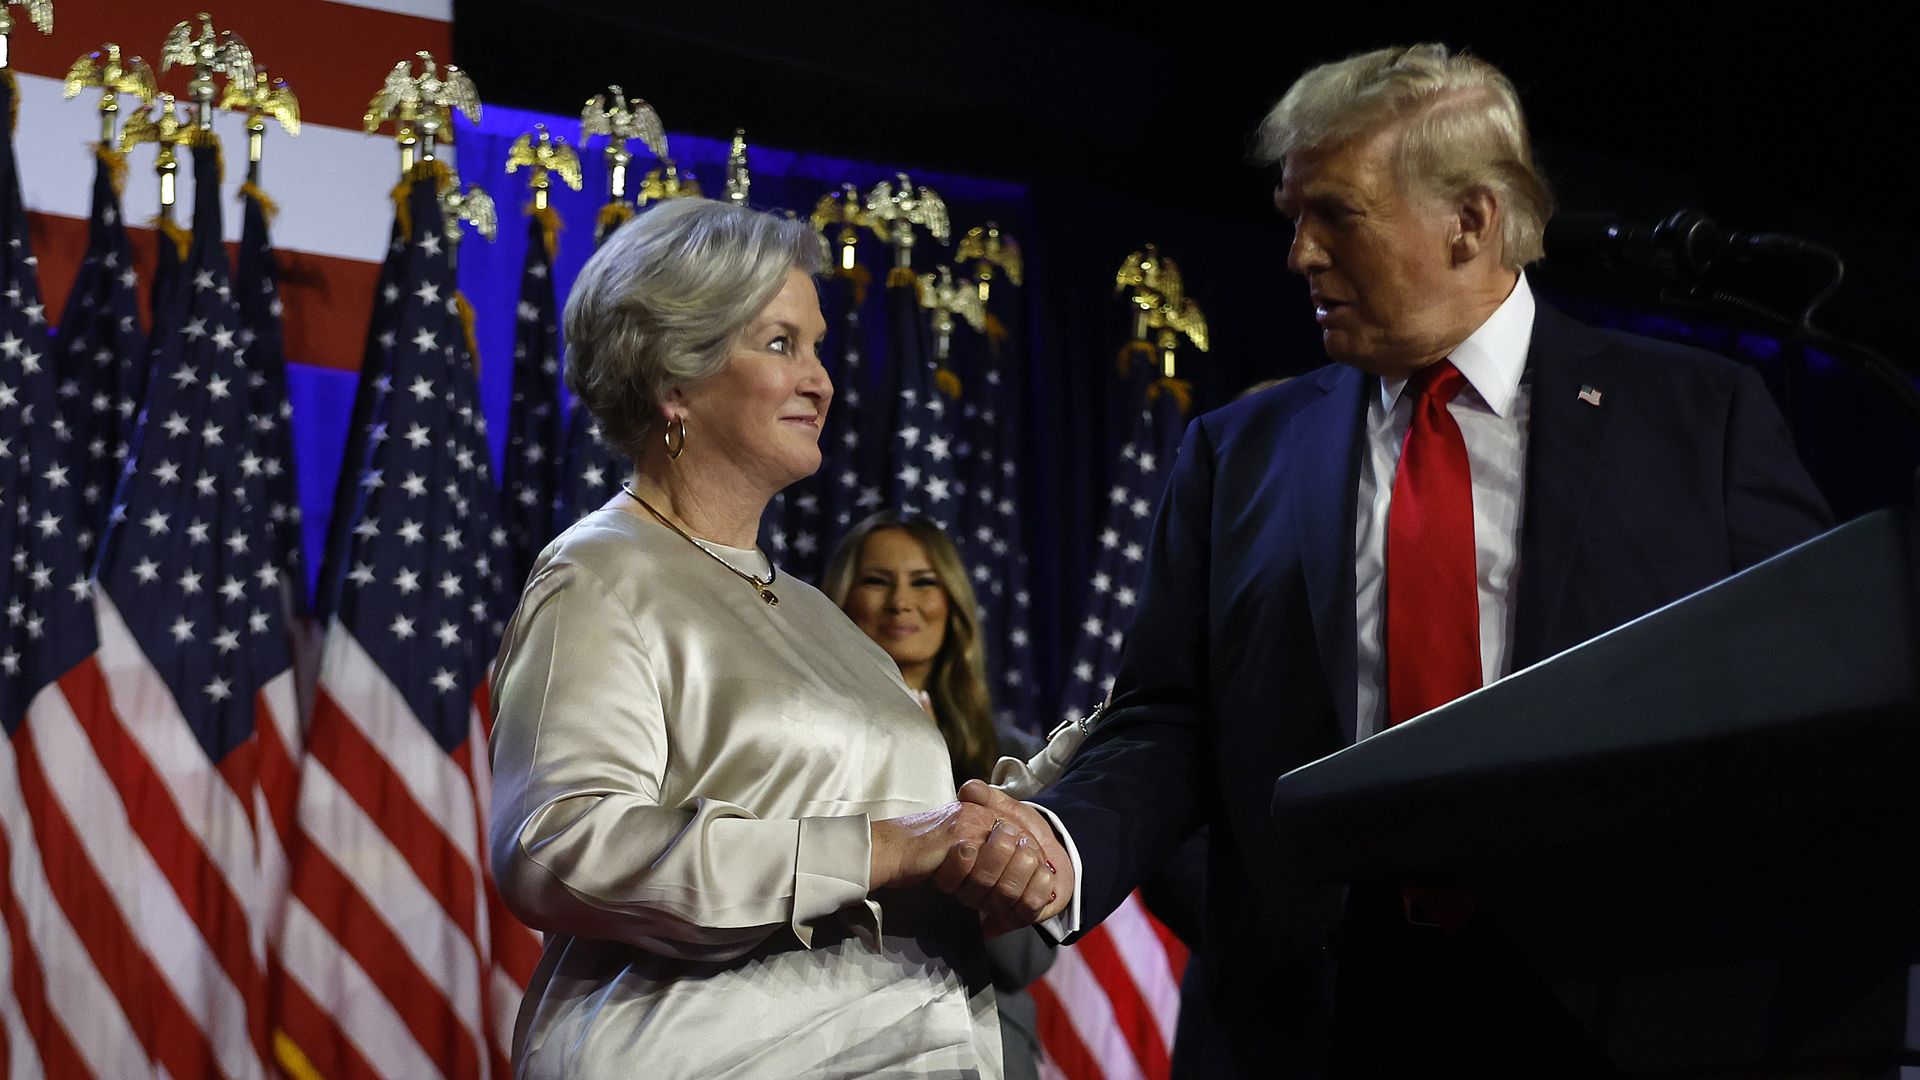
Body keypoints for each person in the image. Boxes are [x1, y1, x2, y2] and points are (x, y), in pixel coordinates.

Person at [961, 43, 1834, 1077]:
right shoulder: (1239, 453)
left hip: (1614, 1013)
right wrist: (1064, 844)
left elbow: (1806, 708)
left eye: (1337, 213)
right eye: (1295, 217)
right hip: (1312, 1022)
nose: (1299, 254)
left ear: (1470, 220)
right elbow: (1170, 715)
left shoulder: (1700, 421)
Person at [487, 198, 1059, 1079]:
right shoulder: (599, 575)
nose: (821, 380)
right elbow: (557, 847)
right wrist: (884, 848)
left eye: (818, 346)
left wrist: (1004, 833)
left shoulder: (821, 615)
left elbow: (896, 834)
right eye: (781, 344)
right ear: (675, 379)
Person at [823, 512, 1057, 1080]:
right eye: (877, 580)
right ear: (839, 600)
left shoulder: (1016, 758)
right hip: (836, 1034)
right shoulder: (801, 745)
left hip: (985, 1040)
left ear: (951, 604)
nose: (901, 602)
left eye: (924, 582)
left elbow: (1025, 955)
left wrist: (937, 784)